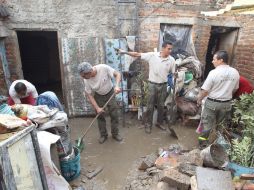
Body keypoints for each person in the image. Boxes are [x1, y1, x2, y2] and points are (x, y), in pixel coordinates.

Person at [117, 41, 175, 134]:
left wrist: (175, 76)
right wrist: (124, 52)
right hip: (152, 84)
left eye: (171, 49)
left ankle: (159, 123)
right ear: (163, 48)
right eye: (169, 49)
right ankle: (148, 125)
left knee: (161, 106)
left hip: (163, 85)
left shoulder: (171, 60)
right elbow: (136, 54)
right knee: (150, 106)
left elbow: (172, 73)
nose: (170, 51)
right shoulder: (152, 55)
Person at [197, 50, 240, 145]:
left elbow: (205, 91)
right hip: (226, 104)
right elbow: (235, 89)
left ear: (221, 60)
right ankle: (217, 145)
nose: (212, 61)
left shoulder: (214, 72)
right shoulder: (235, 72)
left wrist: (199, 99)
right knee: (221, 126)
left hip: (212, 103)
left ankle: (202, 144)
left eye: (214, 59)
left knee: (207, 126)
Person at [78, 62, 123, 144]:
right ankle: (103, 135)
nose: (83, 77)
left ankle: (115, 134)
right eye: (82, 76)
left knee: (114, 114)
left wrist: (117, 86)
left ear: (89, 72)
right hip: (98, 95)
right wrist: (97, 108)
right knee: (100, 115)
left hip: (110, 92)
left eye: (84, 75)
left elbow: (117, 74)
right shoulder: (86, 80)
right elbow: (89, 94)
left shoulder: (103, 68)